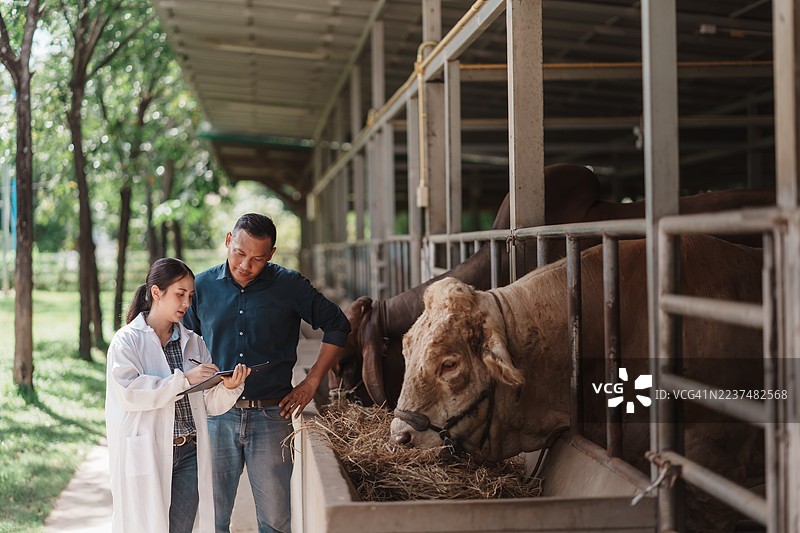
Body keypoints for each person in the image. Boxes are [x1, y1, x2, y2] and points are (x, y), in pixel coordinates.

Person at [182, 213, 350, 533]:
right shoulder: (200, 287)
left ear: (271, 254)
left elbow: (338, 325)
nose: (246, 265)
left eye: (258, 259)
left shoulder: (290, 285)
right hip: (217, 417)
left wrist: (312, 381)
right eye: (240, 253)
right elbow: (181, 345)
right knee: (212, 521)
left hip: (272, 417)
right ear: (228, 240)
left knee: (274, 523)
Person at [105, 258, 251, 533]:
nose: (186, 303)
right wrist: (183, 380)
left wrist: (229, 388)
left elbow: (206, 404)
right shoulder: (127, 341)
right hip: (147, 449)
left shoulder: (193, 341)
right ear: (156, 292)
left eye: (190, 296)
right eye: (180, 294)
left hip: (189, 454)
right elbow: (130, 393)